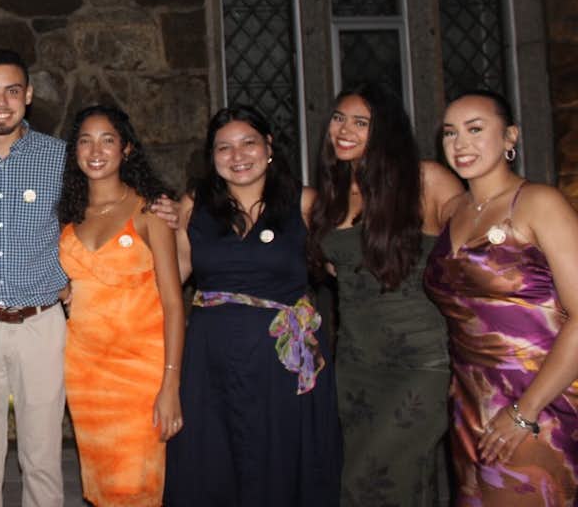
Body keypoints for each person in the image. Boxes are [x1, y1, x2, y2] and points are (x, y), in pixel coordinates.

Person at [0, 48, 178, 507]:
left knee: (43, 461)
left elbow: (99, 213)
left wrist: (171, 209)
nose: (0, 103)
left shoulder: (62, 158)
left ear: (27, 96)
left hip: (42, 324)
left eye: (11, 91)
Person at [164, 105, 341, 507]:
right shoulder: (193, 205)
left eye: (248, 143)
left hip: (282, 363)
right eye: (224, 148)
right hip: (211, 360)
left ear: (269, 146)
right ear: (212, 156)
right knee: (214, 464)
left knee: (280, 465)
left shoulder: (305, 203)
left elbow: (346, 265)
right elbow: (171, 278)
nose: (237, 156)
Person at [307, 82, 463, 507]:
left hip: (420, 360)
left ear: (386, 131)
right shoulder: (331, 197)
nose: (344, 129)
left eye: (361, 122)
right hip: (357, 364)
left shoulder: (425, 179)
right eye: (339, 118)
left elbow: (478, 235)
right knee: (406, 483)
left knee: (371, 481)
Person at [424, 90, 578, 505]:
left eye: (475, 129)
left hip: (539, 398)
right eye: (450, 133)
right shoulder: (453, 211)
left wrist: (525, 411)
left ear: (511, 137)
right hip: (469, 403)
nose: (460, 143)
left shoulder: (539, 203)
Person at [57, 105, 184, 507]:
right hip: (84, 371)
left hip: (141, 373)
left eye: (107, 139)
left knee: (136, 489)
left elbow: (174, 304)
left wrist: (170, 385)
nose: (95, 150)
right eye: (85, 140)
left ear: (126, 148)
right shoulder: (68, 217)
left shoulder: (150, 212)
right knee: (102, 487)